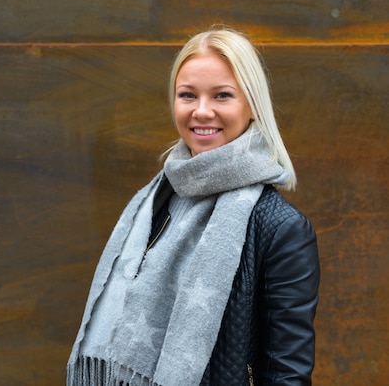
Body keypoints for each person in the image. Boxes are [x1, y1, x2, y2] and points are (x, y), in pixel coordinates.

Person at [66, 27, 320, 386]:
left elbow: (286, 375)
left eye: (222, 96)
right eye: (188, 95)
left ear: (252, 105)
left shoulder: (280, 228)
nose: (202, 112)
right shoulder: (152, 203)